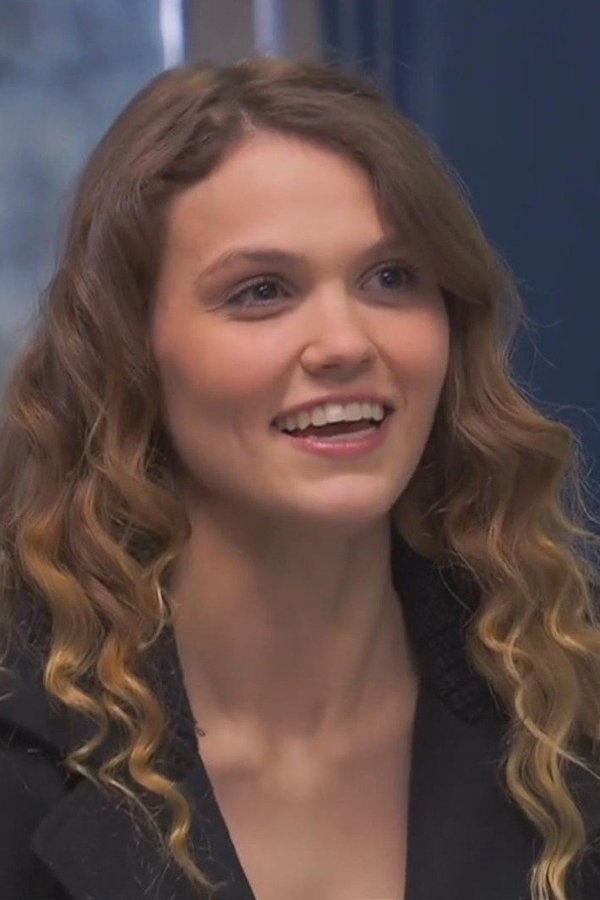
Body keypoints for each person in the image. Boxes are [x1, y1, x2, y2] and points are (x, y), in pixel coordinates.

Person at [1, 55, 600, 900]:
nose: (346, 343)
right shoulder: (22, 747)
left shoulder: (565, 688)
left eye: (391, 278)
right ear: (127, 353)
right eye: (261, 292)